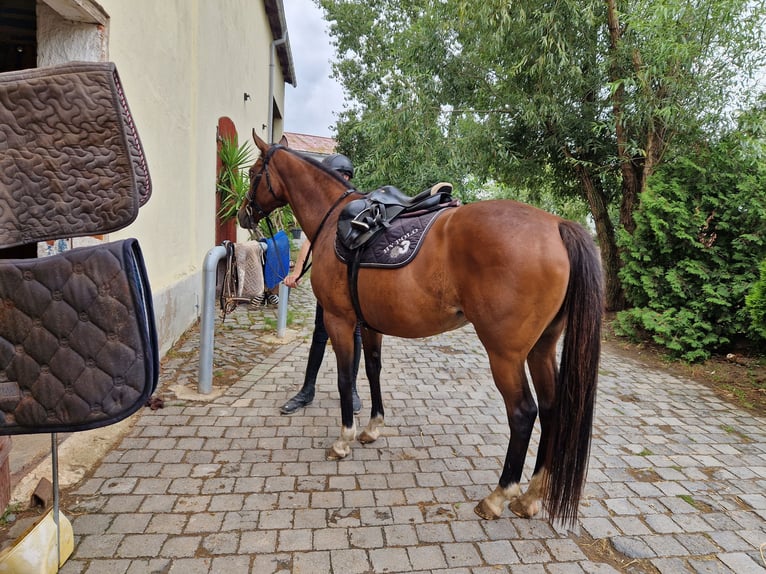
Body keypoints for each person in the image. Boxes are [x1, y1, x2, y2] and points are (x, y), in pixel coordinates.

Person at [280, 153, 363, 415]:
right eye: (341, 176)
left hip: (354, 287)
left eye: (347, 177)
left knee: (357, 335)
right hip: (329, 286)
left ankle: (351, 389)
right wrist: (297, 272)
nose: (345, 181)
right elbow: (309, 243)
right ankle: (307, 389)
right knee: (320, 334)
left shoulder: (357, 208)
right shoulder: (325, 213)